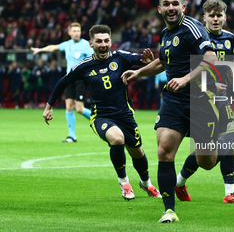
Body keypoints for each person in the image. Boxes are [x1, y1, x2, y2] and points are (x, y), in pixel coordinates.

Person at [122, 0, 228, 223]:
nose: (171, 8)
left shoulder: (192, 28)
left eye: (175, 4)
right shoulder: (165, 34)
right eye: (166, 4)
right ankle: (169, 210)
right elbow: (163, 61)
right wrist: (138, 72)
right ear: (159, 9)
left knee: (206, 162)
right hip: (174, 100)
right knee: (164, 151)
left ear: (183, 8)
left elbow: (210, 58)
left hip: (201, 100)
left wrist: (185, 78)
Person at [43, 24, 161, 200]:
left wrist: (149, 59)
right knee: (117, 138)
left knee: (137, 152)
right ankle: (124, 183)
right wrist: (49, 106)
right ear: (91, 44)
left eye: (106, 41)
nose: (103, 44)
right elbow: (63, 82)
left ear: (111, 42)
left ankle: (147, 183)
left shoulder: (120, 57)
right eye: (99, 41)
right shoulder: (83, 66)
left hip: (125, 114)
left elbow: (143, 60)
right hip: (101, 116)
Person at [175, 0, 234, 205]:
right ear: (204, 17)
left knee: (226, 140)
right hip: (200, 99)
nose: (215, 19)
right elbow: (188, 69)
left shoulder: (230, 39)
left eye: (219, 15)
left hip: (222, 99)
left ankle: (230, 193)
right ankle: (178, 182)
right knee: (207, 151)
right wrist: (208, 84)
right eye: (211, 15)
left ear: (225, 17)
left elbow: (230, 67)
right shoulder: (197, 38)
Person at [31, 22, 93, 143]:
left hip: (81, 79)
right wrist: (40, 49)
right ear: (69, 33)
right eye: (74, 31)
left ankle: (100, 120)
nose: (76, 33)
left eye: (78, 31)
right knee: (69, 106)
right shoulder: (67, 44)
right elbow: (52, 47)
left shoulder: (86, 45)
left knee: (79, 108)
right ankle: (72, 136)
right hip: (69, 79)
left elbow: (93, 59)